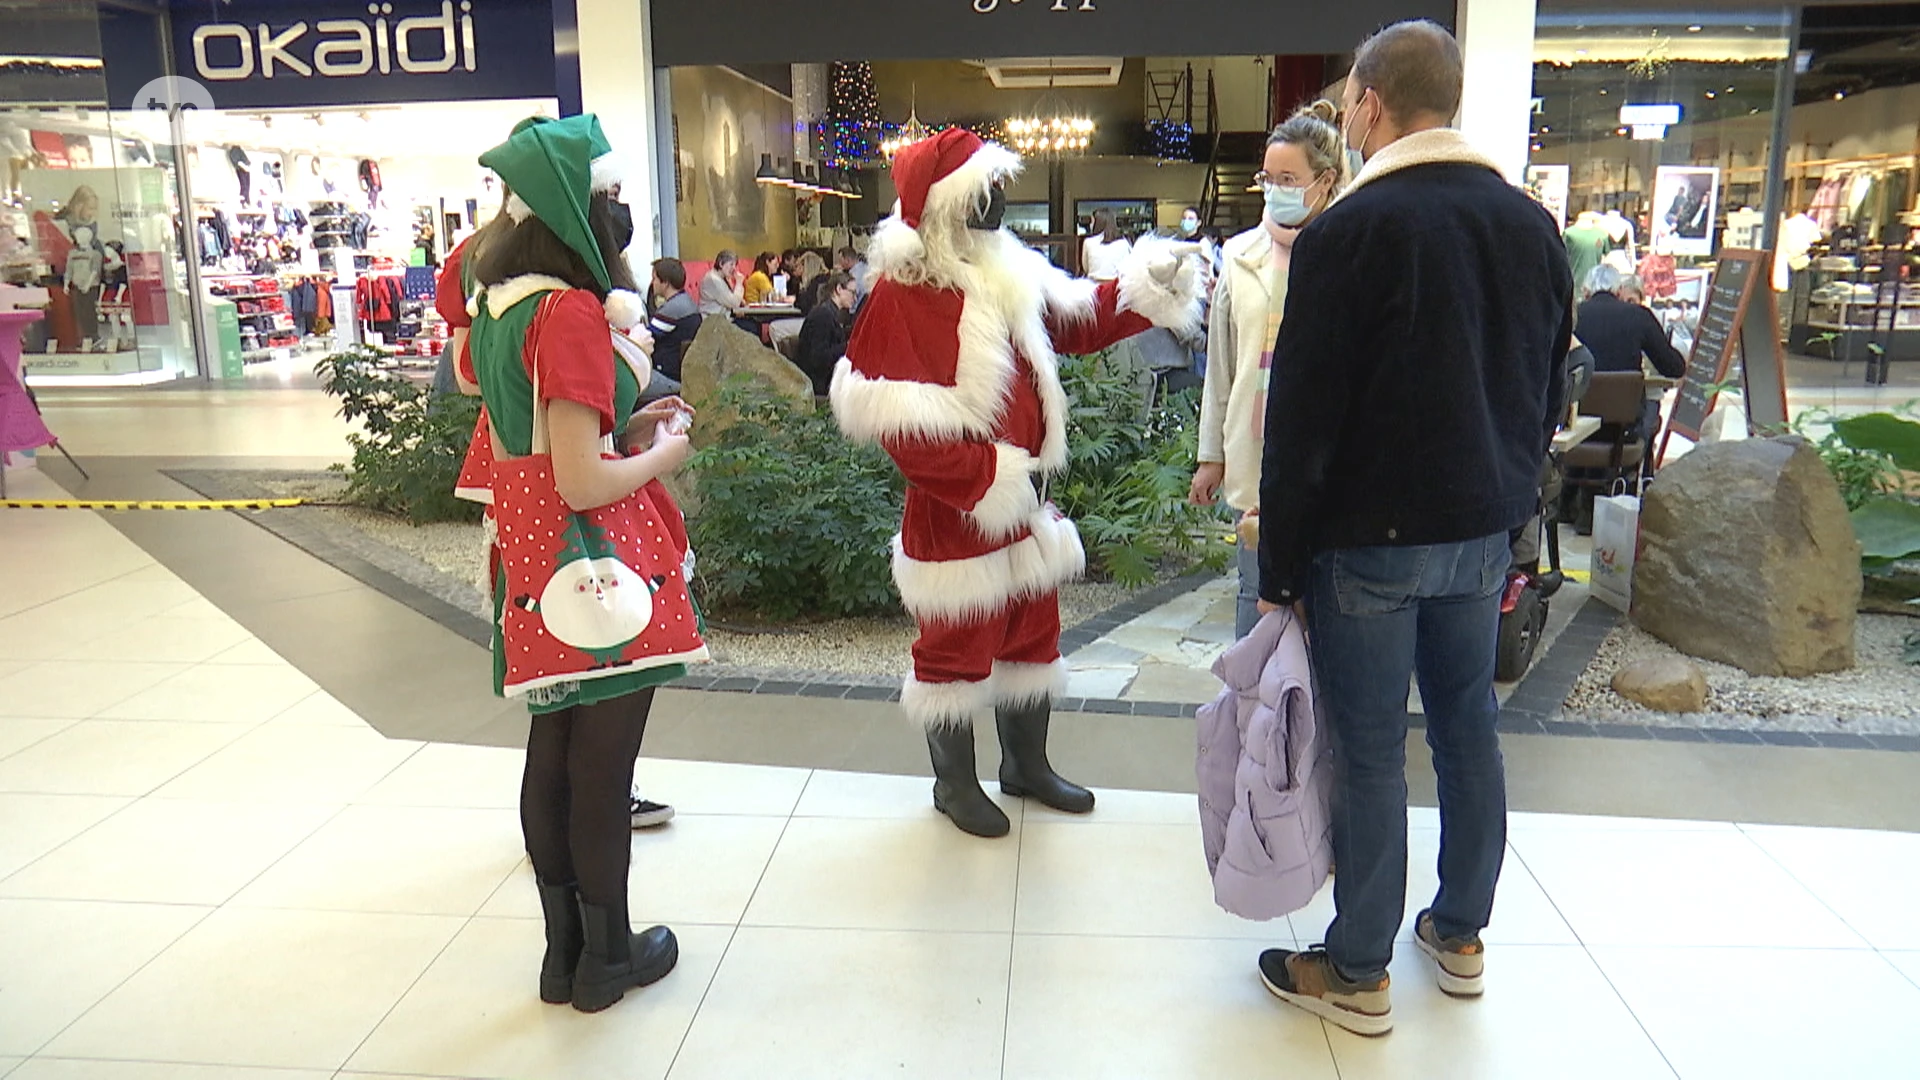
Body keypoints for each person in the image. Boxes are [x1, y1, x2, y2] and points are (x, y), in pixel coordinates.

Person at [1254, 20, 1573, 1036]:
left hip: (1369, 540)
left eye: (1351, 100)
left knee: (1371, 748)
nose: (1348, 115)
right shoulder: (1529, 227)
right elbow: (1544, 390)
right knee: (1470, 730)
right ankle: (1462, 932)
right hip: (1481, 532)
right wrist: (1512, 502)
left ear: (1373, 104)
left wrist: (1280, 560)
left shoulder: (1348, 232)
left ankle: (1357, 968)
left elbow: (1304, 413)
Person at [831, 129, 1206, 839]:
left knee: (1030, 636)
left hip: (1025, 500)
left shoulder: (1008, 272)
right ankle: (953, 783)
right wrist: (984, 483)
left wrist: (1149, 285)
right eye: (981, 190)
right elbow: (899, 426)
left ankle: (1025, 765)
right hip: (957, 508)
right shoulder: (901, 296)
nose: (997, 202)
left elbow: (1077, 318)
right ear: (946, 204)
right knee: (955, 649)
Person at [467, 113, 711, 1013]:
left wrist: (622, 422)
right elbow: (580, 479)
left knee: (555, 747)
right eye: (611, 199)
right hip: (592, 561)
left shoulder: (499, 310)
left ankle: (563, 952)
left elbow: (536, 439)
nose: (620, 217)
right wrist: (664, 456)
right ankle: (608, 957)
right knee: (603, 765)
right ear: (574, 209)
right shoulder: (568, 313)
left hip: (531, 565)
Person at [1190, 101, 1344, 638]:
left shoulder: (1349, 250)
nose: (1275, 188)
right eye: (1268, 177)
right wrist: (1211, 456)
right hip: (1256, 455)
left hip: (1331, 457)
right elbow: (1222, 365)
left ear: (1324, 182)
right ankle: (1255, 711)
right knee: (1256, 594)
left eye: (1289, 178)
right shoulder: (1239, 254)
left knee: (1326, 600)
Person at [1575, 264, 1684, 451]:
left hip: (1577, 427)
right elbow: (1674, 368)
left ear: (1586, 292)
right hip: (1625, 431)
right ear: (1619, 292)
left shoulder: (1572, 316)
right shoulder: (1638, 316)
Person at [794, 270, 855, 396]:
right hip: (819, 386)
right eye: (852, 292)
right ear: (838, 289)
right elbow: (818, 358)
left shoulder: (827, 313)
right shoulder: (823, 316)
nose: (854, 298)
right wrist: (848, 346)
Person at [645, 257, 701, 383]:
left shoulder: (670, 310)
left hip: (666, 375)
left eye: (654, 279)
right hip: (681, 373)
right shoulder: (687, 302)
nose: (652, 283)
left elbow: (646, 337)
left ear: (665, 283)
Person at [1081, 209, 1131, 281]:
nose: (1090, 224)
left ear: (1098, 223)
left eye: (1092, 221)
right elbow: (1127, 268)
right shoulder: (1124, 244)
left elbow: (1086, 268)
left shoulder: (1088, 242)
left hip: (1094, 286)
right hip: (1115, 287)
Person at [698, 250, 745, 316]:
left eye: (735, 265)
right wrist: (739, 283)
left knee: (752, 323)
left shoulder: (721, 278)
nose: (734, 268)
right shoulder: (713, 279)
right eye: (731, 264)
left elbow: (737, 302)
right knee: (751, 325)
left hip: (723, 318)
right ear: (721, 264)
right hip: (714, 321)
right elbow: (734, 304)